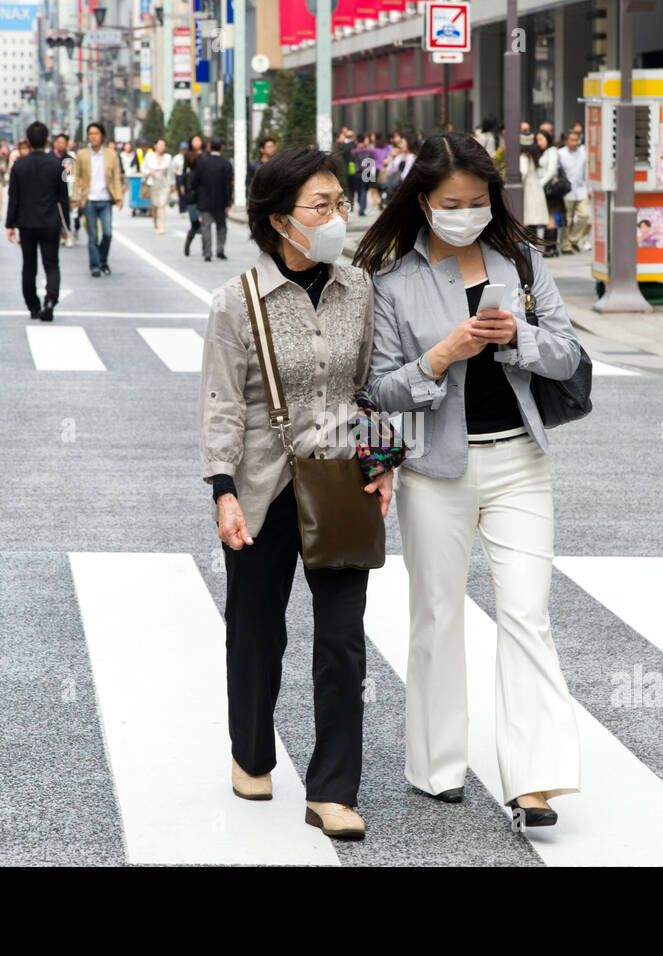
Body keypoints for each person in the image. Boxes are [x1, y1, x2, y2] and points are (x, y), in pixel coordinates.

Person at [353, 131, 583, 827]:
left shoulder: (521, 262)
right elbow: (379, 390)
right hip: (433, 470)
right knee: (437, 615)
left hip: (519, 462)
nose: (466, 213)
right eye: (452, 203)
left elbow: (568, 355)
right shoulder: (392, 284)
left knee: (526, 613)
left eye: (478, 201)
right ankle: (436, 765)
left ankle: (535, 780)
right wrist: (441, 358)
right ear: (423, 203)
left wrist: (518, 339)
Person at [199, 146, 391, 840]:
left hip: (340, 479)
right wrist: (222, 491)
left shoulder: (359, 288)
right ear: (281, 221)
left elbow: (371, 383)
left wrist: (383, 459)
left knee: (342, 640)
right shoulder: (235, 302)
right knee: (256, 630)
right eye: (322, 206)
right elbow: (222, 401)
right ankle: (250, 750)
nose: (339, 216)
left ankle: (333, 788)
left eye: (340, 202)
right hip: (259, 486)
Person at [6, 121, 69, 323]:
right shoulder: (57, 165)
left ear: (28, 141)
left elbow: (13, 197)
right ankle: (50, 300)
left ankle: (33, 306)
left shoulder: (18, 166)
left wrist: (10, 224)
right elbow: (63, 197)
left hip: (26, 222)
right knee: (52, 264)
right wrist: (66, 224)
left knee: (29, 266)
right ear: (47, 140)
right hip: (50, 221)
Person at [72, 121, 124, 278]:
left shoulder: (111, 154)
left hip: (106, 199)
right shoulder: (81, 154)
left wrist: (119, 197)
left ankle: (102, 260)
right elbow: (77, 178)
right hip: (89, 200)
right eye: (91, 134)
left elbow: (116, 177)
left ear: (102, 136)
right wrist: (75, 198)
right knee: (93, 236)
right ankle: (95, 266)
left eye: (96, 134)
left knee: (107, 234)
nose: (93, 137)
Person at [191, 136, 233, 262]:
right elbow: (228, 185)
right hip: (221, 201)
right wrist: (228, 201)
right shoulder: (226, 164)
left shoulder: (202, 163)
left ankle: (207, 253)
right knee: (221, 226)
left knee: (206, 226)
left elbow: (194, 182)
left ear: (209, 147)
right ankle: (220, 250)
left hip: (204, 200)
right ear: (222, 148)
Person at [557, 128, 588, 254]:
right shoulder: (560, 153)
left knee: (584, 215)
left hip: (581, 189)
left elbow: (587, 170)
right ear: (566, 141)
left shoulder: (583, 152)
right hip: (566, 191)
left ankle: (573, 239)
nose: (575, 143)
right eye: (572, 140)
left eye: (576, 140)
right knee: (567, 219)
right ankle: (565, 245)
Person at [519, 132, 550, 241]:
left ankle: (529, 245)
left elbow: (523, 173)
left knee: (527, 219)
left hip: (528, 190)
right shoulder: (535, 156)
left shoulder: (523, 157)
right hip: (536, 188)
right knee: (534, 220)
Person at [536, 130, 563, 255]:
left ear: (547, 138)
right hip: (544, 187)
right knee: (549, 217)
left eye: (541, 139)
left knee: (551, 217)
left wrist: (540, 184)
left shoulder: (552, 151)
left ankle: (551, 248)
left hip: (550, 189)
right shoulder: (544, 152)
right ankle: (550, 247)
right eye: (537, 140)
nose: (538, 142)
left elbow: (551, 171)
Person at [140, 138, 174, 233]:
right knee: (155, 205)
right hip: (152, 182)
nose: (161, 147)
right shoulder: (149, 156)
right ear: (155, 146)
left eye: (163, 145)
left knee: (162, 204)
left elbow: (170, 172)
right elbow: (143, 168)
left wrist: (172, 184)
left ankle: (162, 225)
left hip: (164, 183)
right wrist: (148, 172)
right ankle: (155, 223)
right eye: (160, 145)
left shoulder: (168, 157)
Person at [180, 135, 204, 257]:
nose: (197, 142)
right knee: (195, 224)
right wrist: (183, 185)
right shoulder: (188, 155)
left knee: (205, 223)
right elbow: (184, 171)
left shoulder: (205, 155)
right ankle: (188, 243)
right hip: (192, 193)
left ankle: (206, 250)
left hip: (203, 193)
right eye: (195, 140)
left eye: (199, 140)